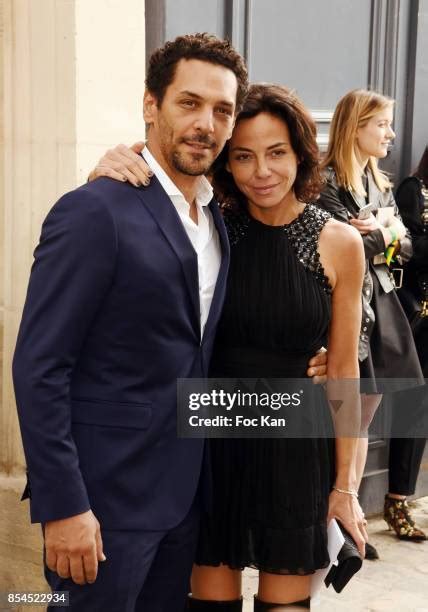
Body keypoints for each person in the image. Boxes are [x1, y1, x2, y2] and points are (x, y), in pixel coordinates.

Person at [12, 35, 329, 612]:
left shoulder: (215, 217)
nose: (206, 123)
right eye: (189, 103)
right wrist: (62, 506)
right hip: (102, 504)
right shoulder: (95, 209)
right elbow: (39, 367)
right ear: (151, 105)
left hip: (189, 499)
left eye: (222, 110)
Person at [89, 83, 367, 610]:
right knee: (209, 603)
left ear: (301, 153)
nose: (261, 171)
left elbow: (346, 369)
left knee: (285, 604)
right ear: (226, 161)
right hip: (212, 444)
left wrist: (346, 484)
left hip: (294, 450)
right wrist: (111, 162)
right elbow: (140, 210)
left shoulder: (338, 242)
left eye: (276, 153)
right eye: (243, 156)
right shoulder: (210, 225)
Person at [318, 90, 425, 554]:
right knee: (345, 422)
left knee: (365, 419)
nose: (391, 133)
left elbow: (404, 246)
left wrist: (382, 232)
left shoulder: (379, 183)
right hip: (349, 310)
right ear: (355, 126)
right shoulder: (326, 183)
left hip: (383, 306)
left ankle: (352, 517)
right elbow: (344, 249)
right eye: (381, 124)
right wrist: (385, 235)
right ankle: (335, 522)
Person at [384, 144, 428, 542]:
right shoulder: (415, 189)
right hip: (419, 318)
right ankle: (398, 498)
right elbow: (407, 252)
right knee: (413, 412)